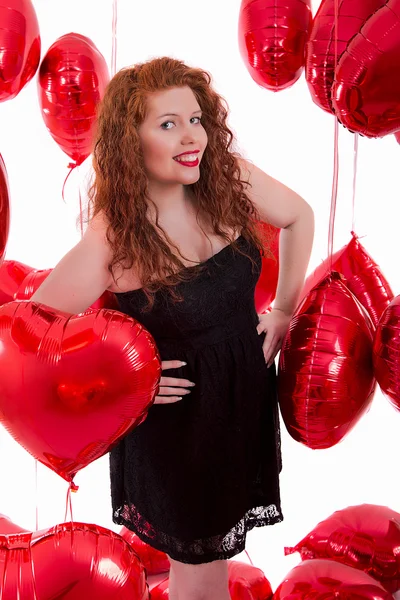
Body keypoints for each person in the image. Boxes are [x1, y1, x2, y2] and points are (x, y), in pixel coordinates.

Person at [31, 56, 314, 600]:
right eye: (168, 124)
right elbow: (33, 336)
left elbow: (298, 214)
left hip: (237, 410)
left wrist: (283, 309)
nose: (192, 137)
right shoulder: (114, 237)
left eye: (195, 119)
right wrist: (124, 387)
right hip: (179, 431)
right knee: (201, 581)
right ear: (129, 141)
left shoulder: (224, 179)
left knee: (217, 571)